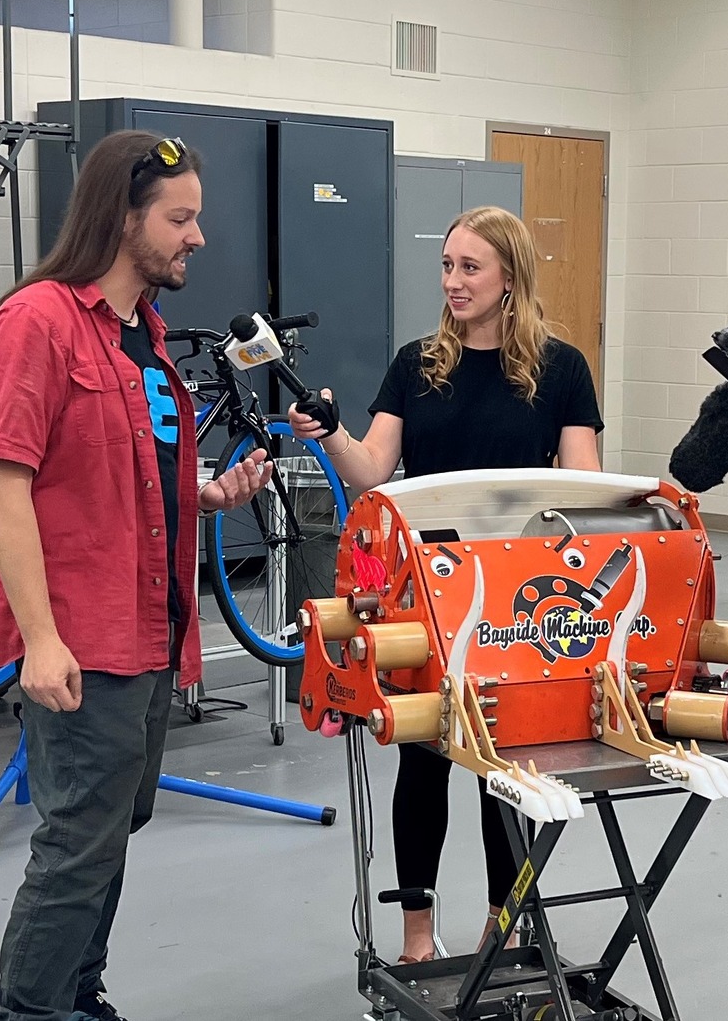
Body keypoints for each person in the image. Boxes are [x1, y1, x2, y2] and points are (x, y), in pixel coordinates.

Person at [0, 130, 273, 1021]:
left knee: (112, 832)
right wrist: (39, 640)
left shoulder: (143, 341)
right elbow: (5, 485)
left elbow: (134, 477)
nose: (197, 237)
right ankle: (31, 1011)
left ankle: (77, 994)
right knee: (78, 843)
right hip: (82, 642)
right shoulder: (38, 323)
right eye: (180, 219)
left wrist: (211, 497)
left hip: (153, 634)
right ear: (123, 217)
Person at [287, 204, 603, 965]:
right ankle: (417, 938)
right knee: (422, 764)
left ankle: (507, 925)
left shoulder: (561, 370)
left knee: (508, 769)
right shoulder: (415, 363)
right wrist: (329, 433)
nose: (454, 281)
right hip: (423, 593)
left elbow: (585, 486)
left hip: (517, 600)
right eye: (448, 265)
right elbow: (373, 471)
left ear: (510, 278)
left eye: (471, 267)